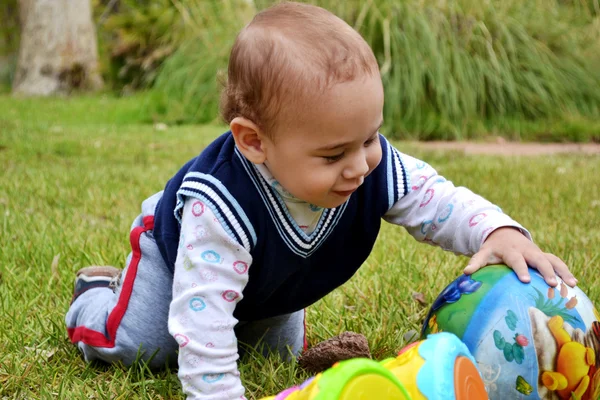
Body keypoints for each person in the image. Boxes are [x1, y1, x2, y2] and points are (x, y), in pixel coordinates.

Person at [65, 2, 577, 399]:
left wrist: (497, 230)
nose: (360, 164)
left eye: (370, 138)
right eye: (334, 154)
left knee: (277, 355)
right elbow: (201, 327)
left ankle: (249, 310)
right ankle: (96, 292)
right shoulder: (219, 208)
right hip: (185, 259)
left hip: (271, 283)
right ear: (254, 141)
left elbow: (436, 200)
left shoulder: (368, 167)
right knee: (147, 346)